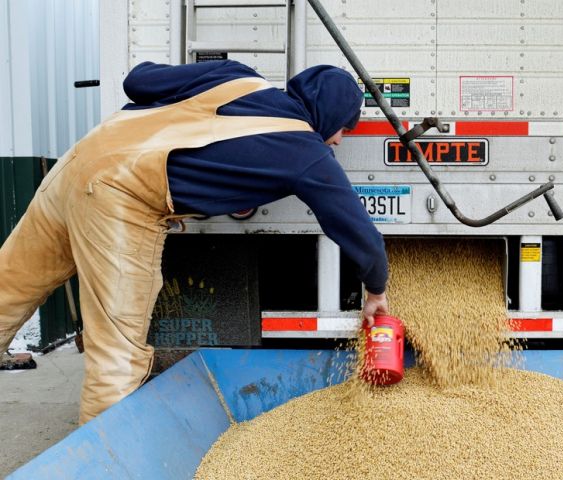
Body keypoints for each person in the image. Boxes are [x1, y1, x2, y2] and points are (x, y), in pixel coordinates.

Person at [0, 60, 389, 423]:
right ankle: (103, 460)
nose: (339, 140)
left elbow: (139, 80)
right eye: (344, 128)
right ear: (331, 114)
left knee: (10, 286)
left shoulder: (237, 77)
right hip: (120, 197)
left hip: (78, 162)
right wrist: (375, 290)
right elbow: (356, 229)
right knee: (117, 350)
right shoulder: (307, 153)